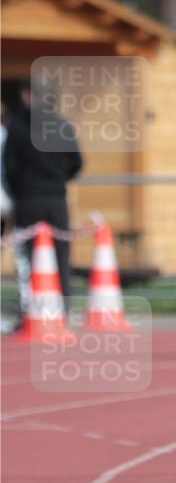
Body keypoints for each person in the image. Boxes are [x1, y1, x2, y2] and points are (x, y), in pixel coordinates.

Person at [3, 79, 83, 316]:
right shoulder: (62, 125)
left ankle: (32, 310)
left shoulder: (16, 127)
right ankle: (63, 310)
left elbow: (8, 167)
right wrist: (59, 180)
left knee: (28, 256)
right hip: (56, 199)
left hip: (28, 199)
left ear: (29, 95)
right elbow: (77, 162)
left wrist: (21, 189)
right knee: (60, 254)